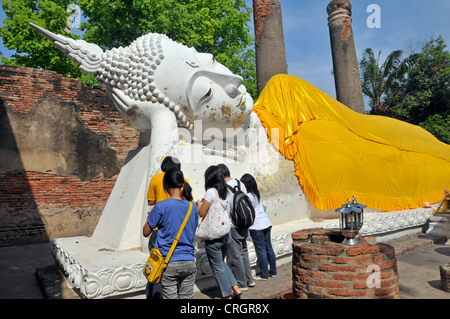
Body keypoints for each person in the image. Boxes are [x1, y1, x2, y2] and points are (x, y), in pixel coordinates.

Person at [143, 168, 198, 299]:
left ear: (166, 185)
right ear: (181, 184)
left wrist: (150, 216)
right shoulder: (193, 206)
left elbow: (146, 232)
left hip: (169, 262)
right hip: (189, 261)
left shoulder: (161, 206)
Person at [196, 165, 242, 299]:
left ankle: (226, 296)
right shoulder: (226, 191)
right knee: (221, 263)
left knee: (217, 267)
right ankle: (236, 288)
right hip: (225, 233)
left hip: (214, 235)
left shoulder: (211, 192)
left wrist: (199, 203)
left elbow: (201, 212)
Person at [145, 156, 187, 299]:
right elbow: (189, 202)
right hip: (180, 232)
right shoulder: (184, 181)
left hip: (159, 231)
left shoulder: (156, 179)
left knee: (157, 265)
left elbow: (151, 202)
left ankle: (156, 296)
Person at [217, 164, 255, 291]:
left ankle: (241, 283)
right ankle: (249, 280)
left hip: (234, 224)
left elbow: (227, 208)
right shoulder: (240, 183)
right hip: (245, 222)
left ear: (221, 175)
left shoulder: (225, 187)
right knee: (244, 251)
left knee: (236, 255)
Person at [240, 173, 277, 281]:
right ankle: (273, 272)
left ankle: (264, 275)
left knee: (261, 250)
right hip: (265, 223)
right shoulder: (256, 194)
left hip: (257, 226)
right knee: (268, 247)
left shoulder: (248, 196)